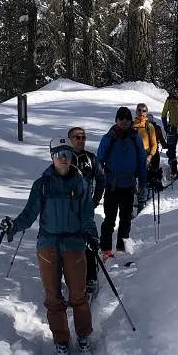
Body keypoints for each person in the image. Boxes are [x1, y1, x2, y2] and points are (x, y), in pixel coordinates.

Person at [0, 139, 99, 355]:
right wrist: (13, 225)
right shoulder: (42, 184)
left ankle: (83, 337)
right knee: (53, 296)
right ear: (52, 156)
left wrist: (91, 235)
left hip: (74, 244)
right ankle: (61, 340)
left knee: (78, 295)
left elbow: (87, 215)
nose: (62, 157)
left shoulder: (81, 183)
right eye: (58, 153)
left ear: (71, 155)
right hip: (48, 246)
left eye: (66, 152)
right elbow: (29, 213)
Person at [96, 106, 147, 257]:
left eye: (127, 119)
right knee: (109, 218)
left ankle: (121, 247)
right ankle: (105, 249)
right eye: (121, 118)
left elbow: (142, 161)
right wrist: (98, 182)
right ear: (116, 120)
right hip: (112, 184)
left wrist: (143, 183)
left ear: (131, 121)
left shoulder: (135, 138)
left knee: (125, 219)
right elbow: (99, 162)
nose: (124, 121)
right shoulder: (108, 138)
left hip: (129, 184)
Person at [68, 125, 105, 293]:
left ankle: (90, 276)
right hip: (67, 208)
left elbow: (101, 177)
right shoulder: (64, 157)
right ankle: (71, 276)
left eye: (83, 137)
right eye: (77, 137)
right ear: (70, 139)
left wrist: (96, 199)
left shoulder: (91, 158)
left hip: (85, 206)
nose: (80, 140)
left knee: (89, 239)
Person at [132, 102, 161, 205]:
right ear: (136, 111)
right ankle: (132, 200)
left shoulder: (149, 127)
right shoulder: (131, 125)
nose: (141, 112)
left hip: (145, 154)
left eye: (144, 111)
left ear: (146, 112)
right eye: (139, 110)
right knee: (130, 178)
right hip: (132, 154)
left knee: (143, 179)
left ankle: (142, 201)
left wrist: (150, 156)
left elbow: (154, 144)